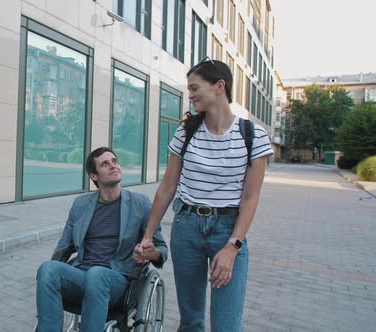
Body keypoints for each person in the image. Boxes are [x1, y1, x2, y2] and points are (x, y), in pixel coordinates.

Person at [136, 57, 273, 332]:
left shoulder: (253, 135)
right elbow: (167, 187)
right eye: (189, 89)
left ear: (219, 86)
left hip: (228, 230)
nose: (191, 95)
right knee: (191, 321)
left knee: (226, 324)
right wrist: (148, 235)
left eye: (195, 88)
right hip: (186, 227)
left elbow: (250, 197)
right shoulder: (185, 133)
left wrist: (232, 247)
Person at [36, 147, 168, 332]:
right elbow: (64, 247)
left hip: (118, 280)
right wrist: (46, 284)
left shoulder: (140, 203)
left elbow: (161, 248)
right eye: (105, 164)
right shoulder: (81, 205)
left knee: (97, 274)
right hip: (82, 275)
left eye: (114, 161)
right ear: (94, 176)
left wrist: (151, 252)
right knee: (47, 269)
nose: (113, 166)